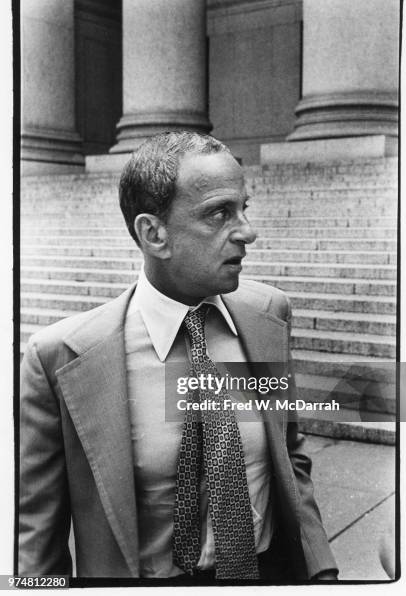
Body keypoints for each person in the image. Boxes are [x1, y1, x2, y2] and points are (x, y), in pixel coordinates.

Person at [19, 131, 338, 583]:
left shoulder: (269, 315)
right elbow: (35, 542)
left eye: (244, 208)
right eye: (220, 213)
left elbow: (289, 458)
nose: (248, 231)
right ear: (154, 233)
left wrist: (322, 571)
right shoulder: (60, 358)